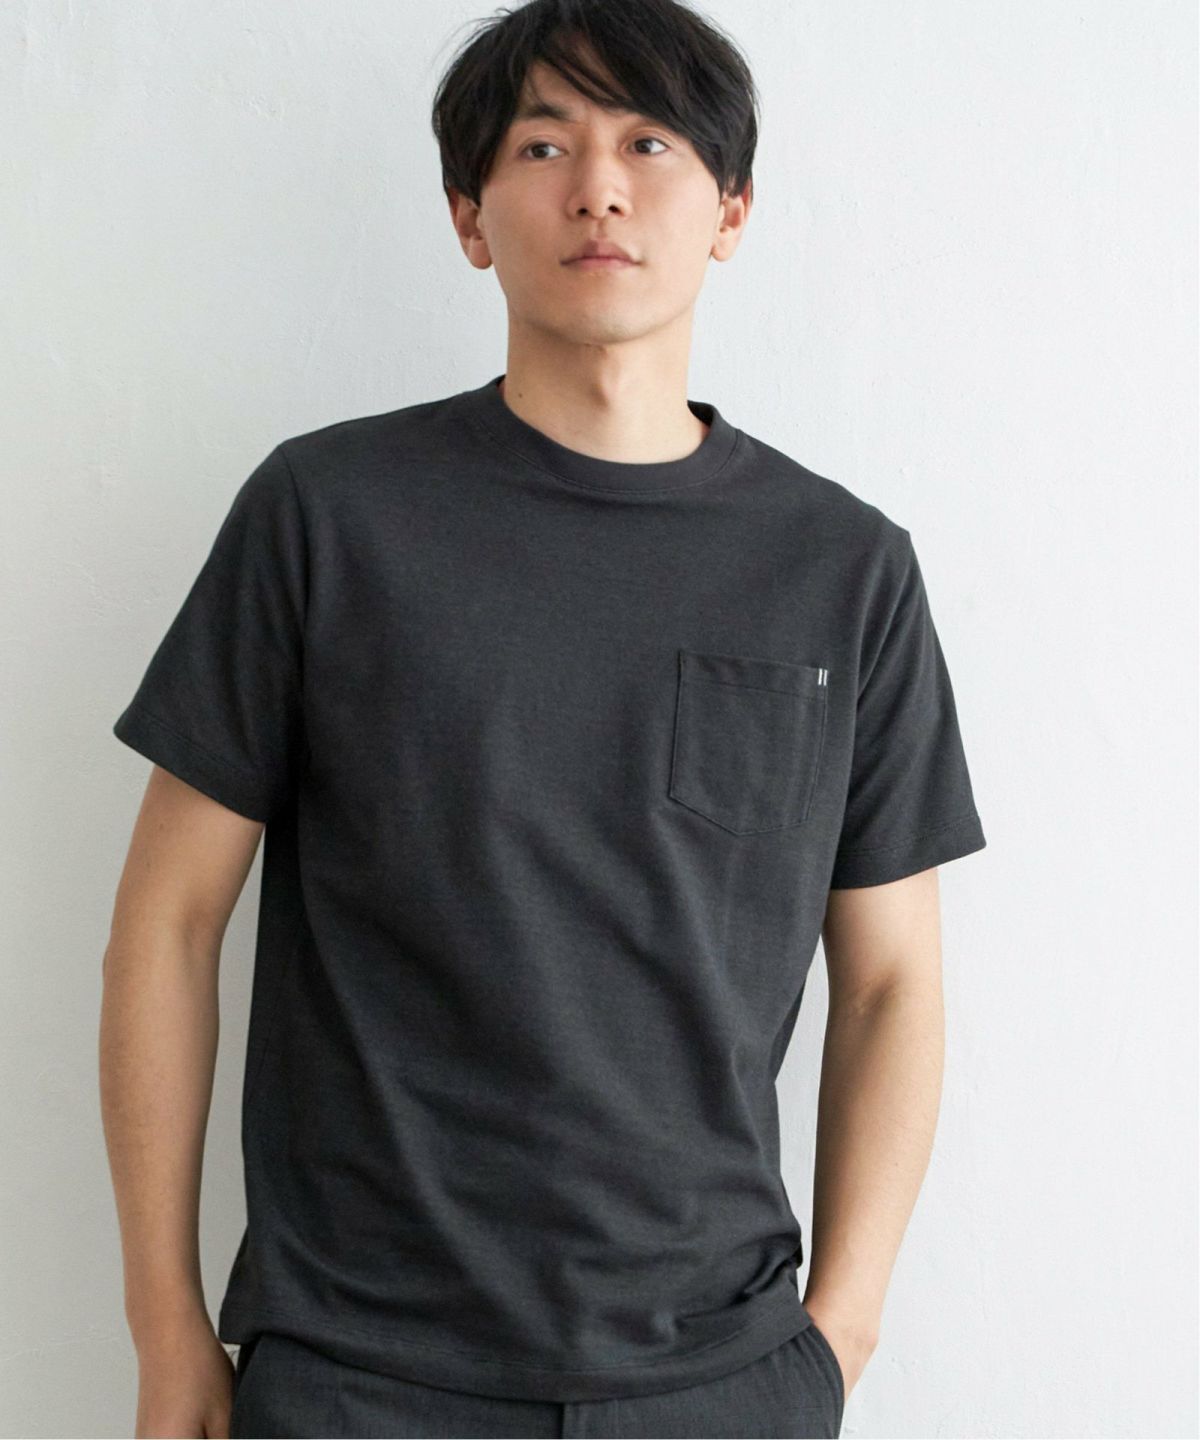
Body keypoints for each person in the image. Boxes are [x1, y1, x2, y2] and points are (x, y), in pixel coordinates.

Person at [99, 1, 987, 1435]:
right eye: (543, 144)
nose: (600, 188)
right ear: (469, 216)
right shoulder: (326, 517)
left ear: (732, 211)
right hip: (358, 1373)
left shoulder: (842, 570)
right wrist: (164, 1326)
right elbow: (168, 920)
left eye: (651, 142)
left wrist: (842, 1333)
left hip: (716, 1378)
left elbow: (891, 983)